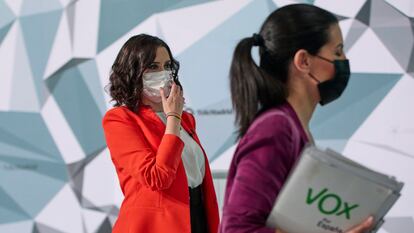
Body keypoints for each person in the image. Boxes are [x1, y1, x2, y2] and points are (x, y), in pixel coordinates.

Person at [219, 4, 373, 233]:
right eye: (338, 52)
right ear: (304, 61)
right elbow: (238, 230)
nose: (344, 60)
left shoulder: (292, 127)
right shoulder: (276, 128)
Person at [102, 34, 219, 233]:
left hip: (197, 219)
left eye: (167, 66)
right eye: (154, 67)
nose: (163, 73)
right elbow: (156, 178)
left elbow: (196, 176)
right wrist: (173, 116)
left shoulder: (187, 120)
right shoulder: (120, 119)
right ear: (133, 71)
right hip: (155, 226)